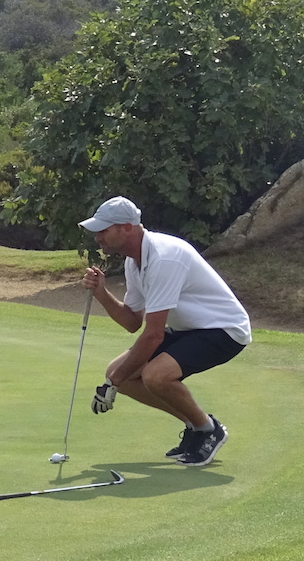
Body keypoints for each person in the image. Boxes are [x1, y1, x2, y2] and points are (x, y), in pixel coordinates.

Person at [78, 196, 250, 466]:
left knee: (155, 376)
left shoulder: (163, 257)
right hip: (189, 329)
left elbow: (153, 334)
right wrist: (101, 293)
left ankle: (209, 430)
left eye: (104, 230)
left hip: (224, 329)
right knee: (117, 372)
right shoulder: (133, 261)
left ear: (127, 227)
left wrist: (112, 384)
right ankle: (196, 426)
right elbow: (133, 321)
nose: (98, 237)